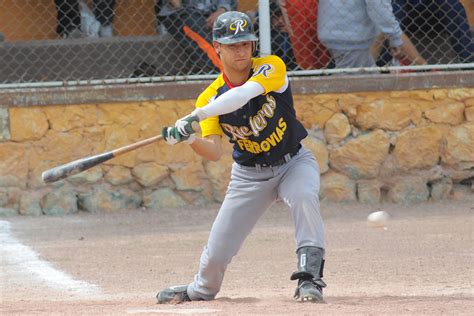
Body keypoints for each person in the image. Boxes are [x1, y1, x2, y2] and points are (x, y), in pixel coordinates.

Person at [157, 11, 327, 304]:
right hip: (249, 175)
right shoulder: (209, 97)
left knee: (303, 196)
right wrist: (191, 138)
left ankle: (310, 280)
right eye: (233, 45)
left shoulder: (271, 67)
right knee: (218, 249)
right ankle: (200, 289)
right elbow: (214, 151)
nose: (241, 51)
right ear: (217, 47)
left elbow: (243, 94)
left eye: (246, 44)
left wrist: (195, 116)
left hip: (293, 162)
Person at [317, 0, 404, 69]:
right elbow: (379, 7)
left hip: (338, 30)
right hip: (350, 34)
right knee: (357, 80)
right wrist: (395, 37)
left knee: (363, 77)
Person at [156, 0, 237, 74]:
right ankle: (226, 76)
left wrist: (222, 10)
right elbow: (176, 5)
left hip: (213, 12)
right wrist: (178, 6)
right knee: (204, 41)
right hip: (182, 13)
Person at [391, 0, 474, 63]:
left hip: (434, 9)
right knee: (393, 11)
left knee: (454, 6)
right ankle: (384, 64)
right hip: (404, 8)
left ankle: (469, 63)